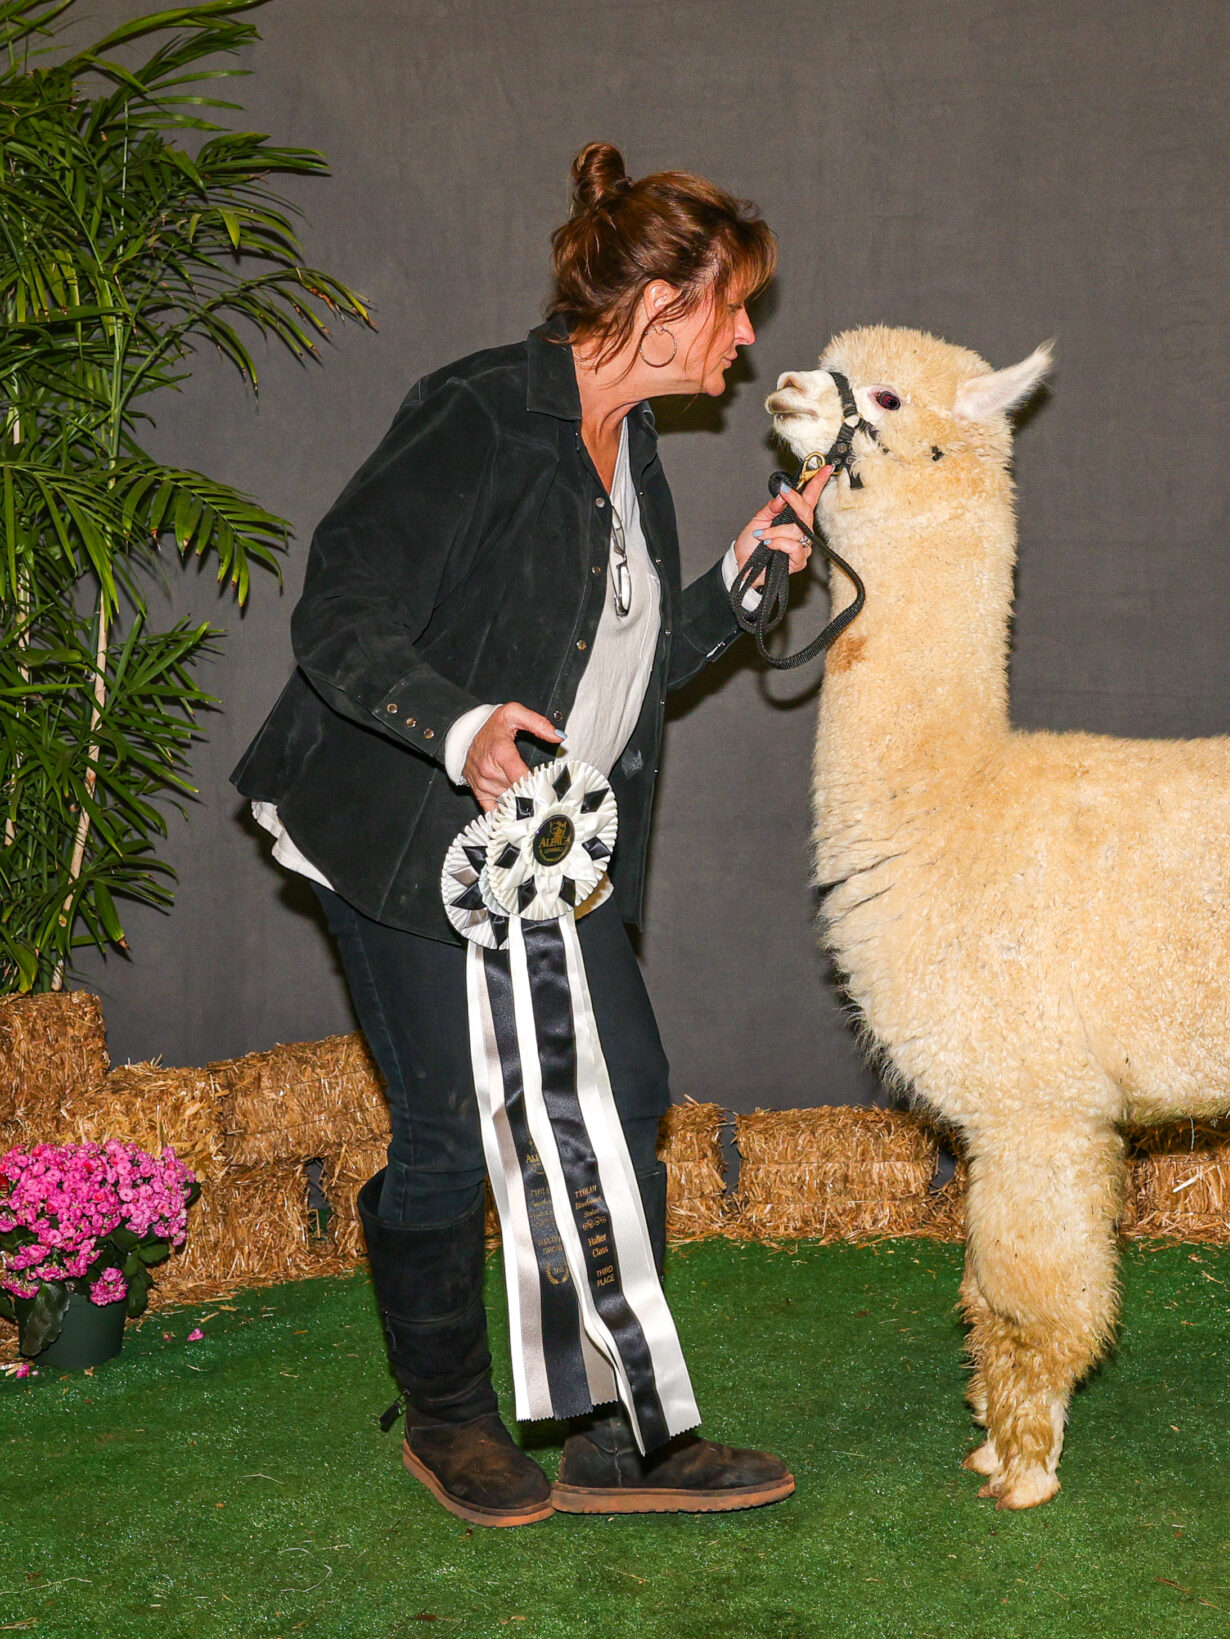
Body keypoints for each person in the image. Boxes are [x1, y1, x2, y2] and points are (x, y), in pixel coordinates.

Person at [232, 142, 829, 1527]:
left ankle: (625, 1431)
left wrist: (737, 590)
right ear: (664, 302)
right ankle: (447, 1417)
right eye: (734, 306)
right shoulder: (482, 416)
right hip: (404, 830)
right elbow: (341, 617)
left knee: (622, 1099)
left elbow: (608, 675)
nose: (748, 337)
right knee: (450, 1126)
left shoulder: (635, 458)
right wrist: (456, 728)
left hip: (548, 853)